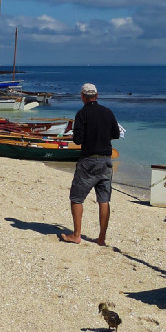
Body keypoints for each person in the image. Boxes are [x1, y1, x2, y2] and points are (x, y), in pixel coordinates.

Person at [61, 83, 121, 246]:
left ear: (82, 96)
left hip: (88, 160)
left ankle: (77, 235)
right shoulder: (108, 112)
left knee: (76, 198)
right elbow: (115, 134)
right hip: (106, 160)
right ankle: (101, 238)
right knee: (103, 199)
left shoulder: (82, 114)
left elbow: (78, 140)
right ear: (97, 95)